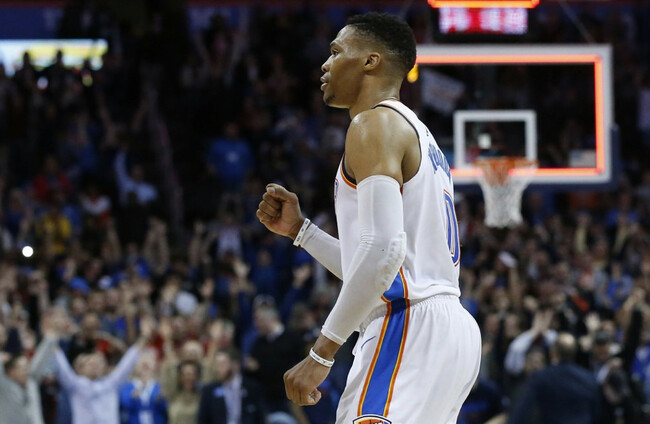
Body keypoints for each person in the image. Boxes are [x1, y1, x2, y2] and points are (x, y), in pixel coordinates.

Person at [256, 12, 481, 424]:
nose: (325, 64)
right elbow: (381, 266)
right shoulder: (421, 136)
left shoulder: (372, 123)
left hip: (407, 323)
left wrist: (321, 352)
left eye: (336, 52)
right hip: (449, 328)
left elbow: (384, 251)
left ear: (370, 61)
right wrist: (302, 232)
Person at [54, 316, 155, 424]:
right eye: (89, 363)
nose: (94, 366)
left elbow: (128, 362)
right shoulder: (75, 384)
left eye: (98, 363)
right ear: (79, 369)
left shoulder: (112, 383)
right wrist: (51, 337)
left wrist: (144, 337)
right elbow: (61, 365)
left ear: (104, 367)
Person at [507, 333, 600, 424]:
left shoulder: (542, 377)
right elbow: (597, 412)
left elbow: (523, 410)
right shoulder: (589, 378)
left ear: (553, 352)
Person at [198, 348, 266, 424]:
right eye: (216, 365)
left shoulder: (252, 388)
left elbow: (260, 418)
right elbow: (202, 420)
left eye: (222, 364)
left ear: (235, 365)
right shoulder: (209, 391)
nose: (218, 369)